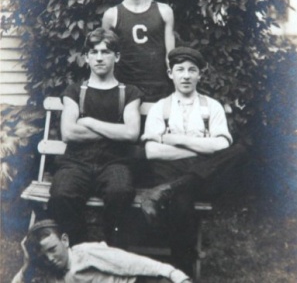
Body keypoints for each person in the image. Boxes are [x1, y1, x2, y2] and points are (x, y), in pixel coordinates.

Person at [141, 47, 246, 275]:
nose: (186, 75)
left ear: (200, 74)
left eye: (192, 70)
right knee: (181, 204)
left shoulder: (212, 107)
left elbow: (222, 146)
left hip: (201, 180)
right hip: (173, 171)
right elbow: (152, 151)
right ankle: (183, 274)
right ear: (171, 74)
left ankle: (165, 191)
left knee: (238, 150)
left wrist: (173, 138)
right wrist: (201, 149)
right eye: (180, 70)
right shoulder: (161, 107)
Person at [47, 28, 143, 246]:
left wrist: (89, 122)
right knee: (62, 193)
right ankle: (78, 250)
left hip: (114, 163)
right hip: (75, 162)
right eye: (94, 52)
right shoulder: (74, 91)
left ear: (116, 57)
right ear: (86, 57)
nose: (99, 57)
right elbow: (69, 133)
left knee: (120, 191)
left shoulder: (129, 92)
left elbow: (131, 133)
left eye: (106, 52)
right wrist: (113, 131)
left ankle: (112, 252)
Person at [12, 219, 191, 283]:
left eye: (52, 249)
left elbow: (128, 262)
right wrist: (27, 265)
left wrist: (172, 273)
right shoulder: (49, 275)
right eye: (43, 256)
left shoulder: (85, 253)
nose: (50, 258)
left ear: (65, 240)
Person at [102, 0, 175, 102]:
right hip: (125, 88)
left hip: (159, 87)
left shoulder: (164, 11)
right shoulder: (111, 15)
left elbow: (171, 57)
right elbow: (106, 56)